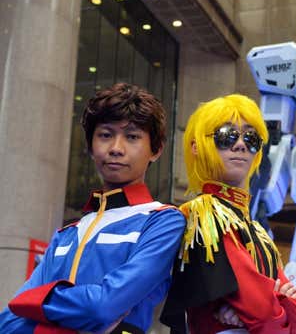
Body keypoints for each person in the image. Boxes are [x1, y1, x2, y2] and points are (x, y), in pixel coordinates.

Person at [0, 83, 186, 334]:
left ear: (156, 149)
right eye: (105, 135)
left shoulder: (163, 220)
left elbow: (104, 306)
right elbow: (8, 320)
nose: (116, 148)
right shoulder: (66, 233)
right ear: (89, 146)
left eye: (132, 137)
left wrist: (35, 303)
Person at [160, 94, 296, 334]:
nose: (240, 145)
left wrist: (270, 308)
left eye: (251, 138)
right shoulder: (204, 214)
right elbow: (261, 310)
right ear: (197, 147)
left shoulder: (258, 232)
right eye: (227, 136)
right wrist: (278, 302)